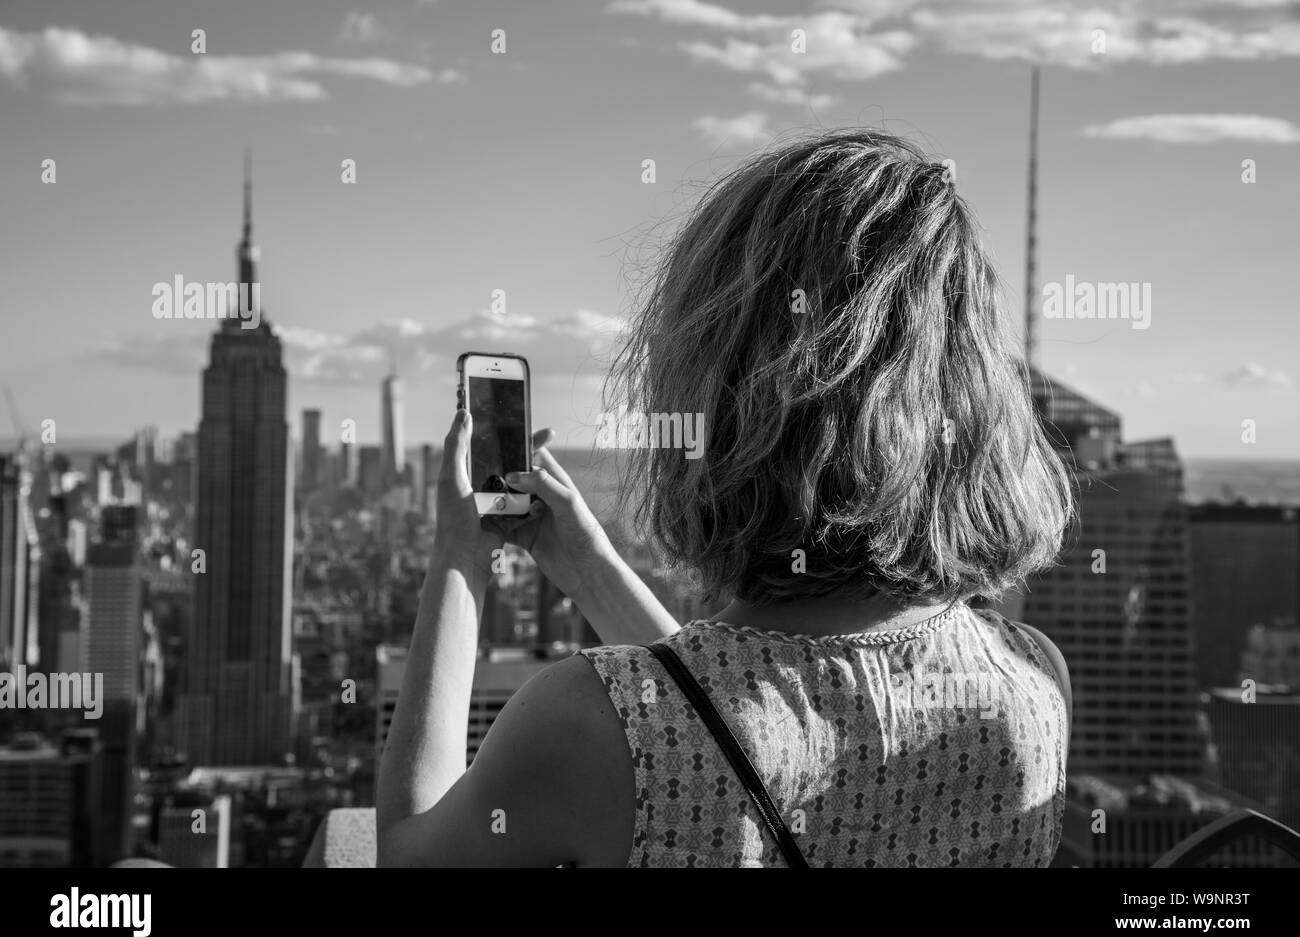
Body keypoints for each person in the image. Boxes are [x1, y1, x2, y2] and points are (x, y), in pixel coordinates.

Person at [377, 128, 1074, 867]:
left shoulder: (580, 728)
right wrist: (587, 566)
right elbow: (727, 720)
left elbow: (407, 850)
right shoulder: (1029, 679)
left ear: (710, 385)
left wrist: (459, 558)